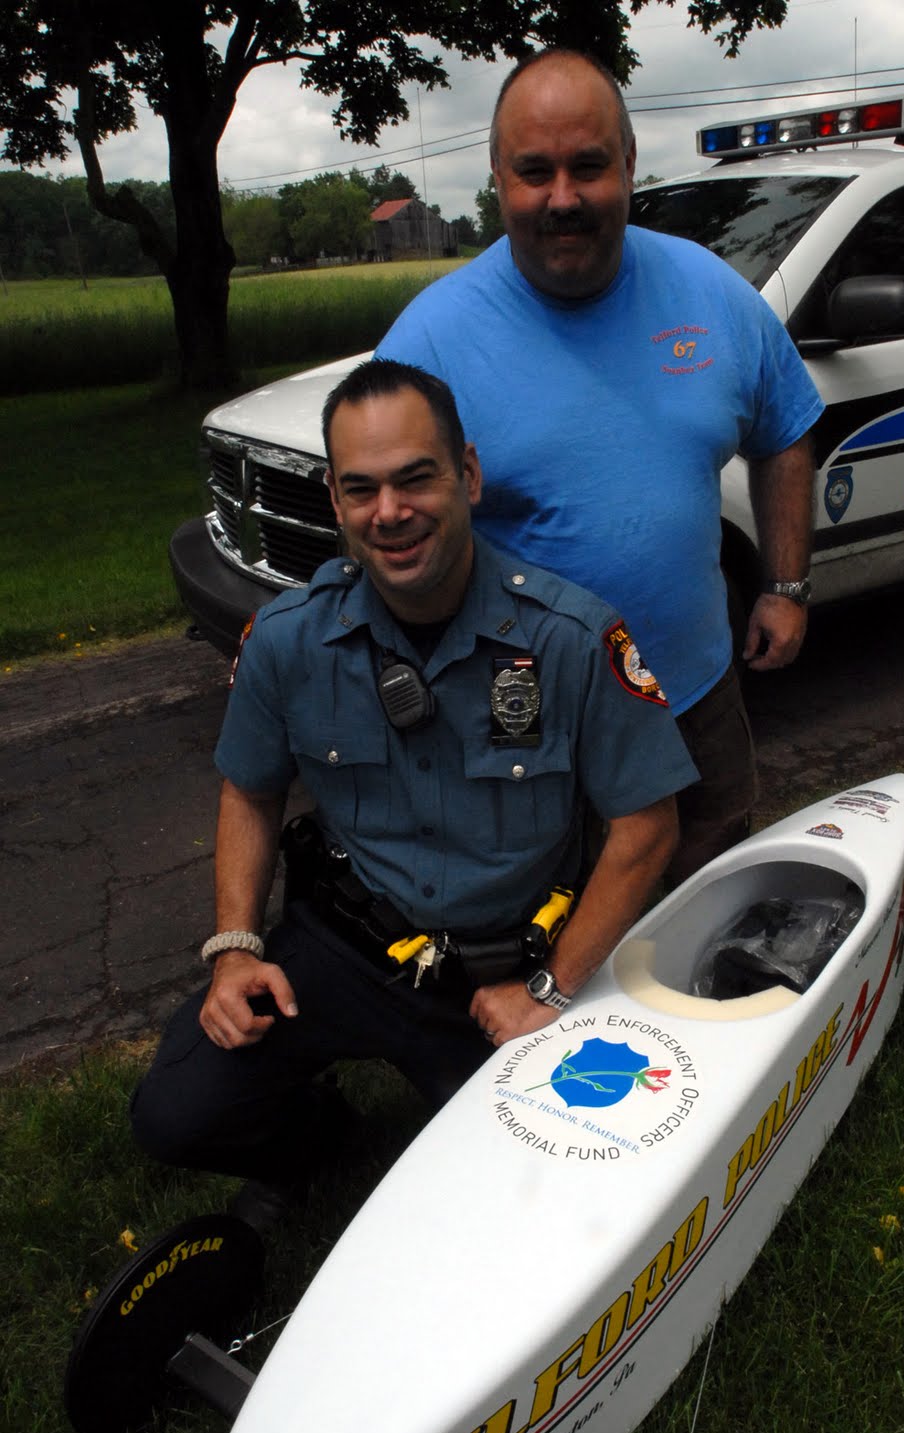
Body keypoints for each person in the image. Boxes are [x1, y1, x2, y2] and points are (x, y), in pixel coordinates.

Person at [130, 359, 697, 1202]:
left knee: (537, 1193)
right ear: (335, 501)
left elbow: (647, 828)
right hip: (349, 947)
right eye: (360, 490)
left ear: (466, 475)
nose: (389, 514)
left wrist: (549, 991)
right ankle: (327, 1141)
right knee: (175, 1115)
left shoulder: (571, 640)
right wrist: (235, 951)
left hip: (508, 967)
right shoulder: (287, 641)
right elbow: (248, 791)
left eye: (414, 480)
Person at [376, 48, 824, 884]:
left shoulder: (709, 290)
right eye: (532, 172)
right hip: (525, 723)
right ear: (496, 179)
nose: (562, 199)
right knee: (553, 919)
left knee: (712, 871)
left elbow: (785, 427)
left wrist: (784, 585)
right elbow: (378, 522)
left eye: (588, 167)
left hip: (695, 690)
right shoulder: (430, 342)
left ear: (627, 163)